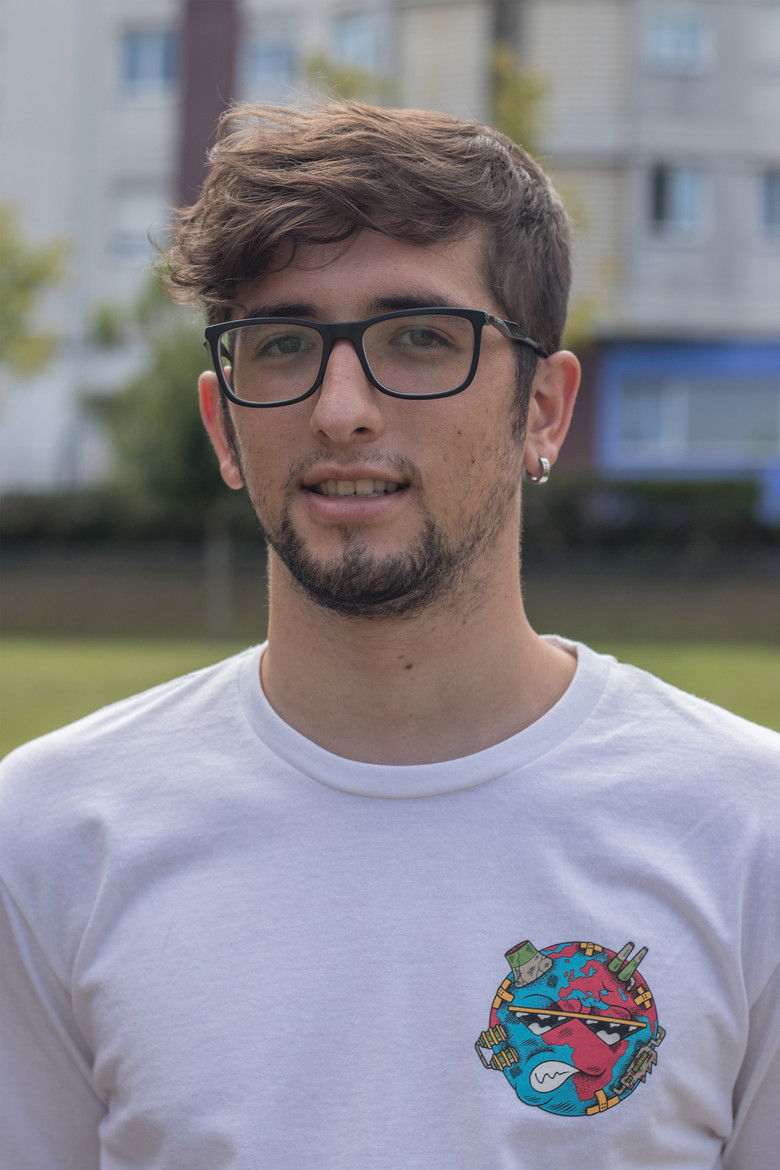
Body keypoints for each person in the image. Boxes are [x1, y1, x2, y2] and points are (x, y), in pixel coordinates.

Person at [0, 101, 778, 1170]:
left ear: (543, 410)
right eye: (283, 345)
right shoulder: (48, 838)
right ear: (224, 423)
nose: (342, 409)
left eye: (419, 338)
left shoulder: (748, 836)